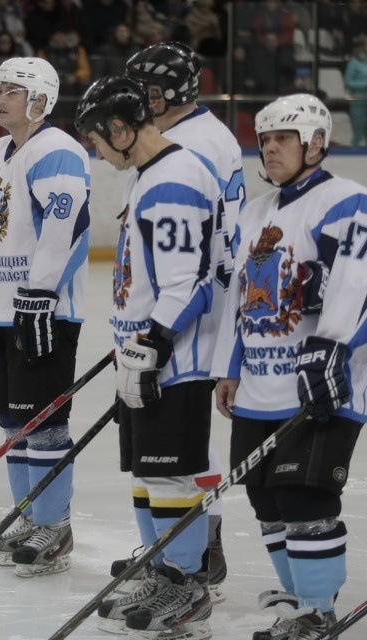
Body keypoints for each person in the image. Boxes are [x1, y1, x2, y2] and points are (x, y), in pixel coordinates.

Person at [212, 93, 366, 640]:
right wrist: (230, 368)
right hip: (258, 385)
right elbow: (241, 305)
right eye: (266, 139)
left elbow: (358, 284)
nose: (271, 148)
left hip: (322, 385)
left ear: (316, 144)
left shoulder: (346, 201)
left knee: (306, 500)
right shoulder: (255, 213)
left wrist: (332, 346)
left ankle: (319, 611)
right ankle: (300, 604)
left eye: (284, 139)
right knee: (268, 502)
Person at [73, 76, 219, 638]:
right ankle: (164, 569)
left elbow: (187, 281)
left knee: (173, 473)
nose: (96, 152)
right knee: (148, 469)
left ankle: (186, 588)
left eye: (96, 139)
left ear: (121, 127)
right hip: (143, 349)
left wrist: (153, 344)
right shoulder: (152, 175)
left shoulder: (177, 179)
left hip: (171, 355)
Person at [0, 57, 89, 576]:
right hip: (1, 312)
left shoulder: (59, 152)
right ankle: (30, 515)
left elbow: (69, 227)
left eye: (12, 90)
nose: (0, 97)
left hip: (43, 312)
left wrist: (40, 294)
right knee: (13, 422)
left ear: (40, 99)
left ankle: (55, 524)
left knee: (45, 422)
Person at [123, 39, 247, 604]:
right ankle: (177, 550)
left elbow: (200, 251)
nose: (137, 102)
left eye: (146, 91)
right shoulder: (188, 136)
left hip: (197, 306)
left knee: (183, 437)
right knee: (166, 442)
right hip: (183, 301)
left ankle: (200, 552)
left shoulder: (196, 141)